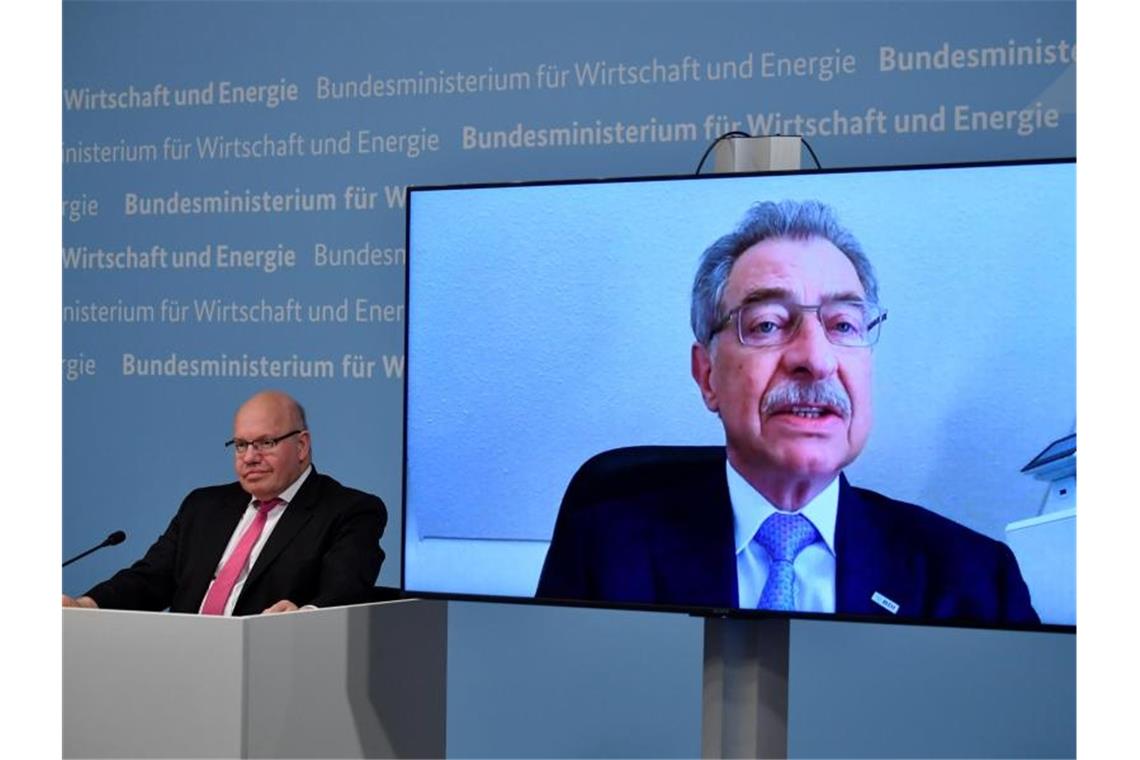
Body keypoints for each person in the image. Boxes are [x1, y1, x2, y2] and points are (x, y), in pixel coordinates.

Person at [536, 200, 1039, 625]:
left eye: (843, 325)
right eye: (769, 325)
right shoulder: (601, 555)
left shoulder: (977, 581)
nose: (815, 360)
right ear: (707, 375)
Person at [63, 390, 386, 615]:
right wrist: (87, 605)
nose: (250, 458)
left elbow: (346, 591)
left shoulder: (349, 512)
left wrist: (306, 616)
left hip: (274, 673)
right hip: (181, 666)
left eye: (266, 443)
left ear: (301, 446)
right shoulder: (203, 507)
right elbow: (151, 579)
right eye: (241, 445)